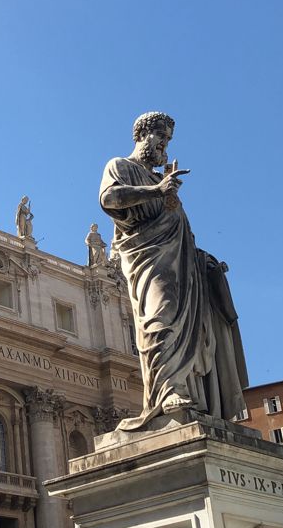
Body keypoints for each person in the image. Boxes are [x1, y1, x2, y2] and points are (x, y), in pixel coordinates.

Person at [100, 111, 248, 429]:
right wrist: (157, 191)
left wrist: (202, 259)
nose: (164, 146)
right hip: (148, 260)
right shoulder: (120, 166)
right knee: (159, 316)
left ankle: (184, 391)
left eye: (167, 140)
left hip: (182, 267)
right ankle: (166, 392)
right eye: (161, 138)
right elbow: (109, 198)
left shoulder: (161, 181)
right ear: (143, 135)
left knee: (190, 331)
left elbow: (179, 231)